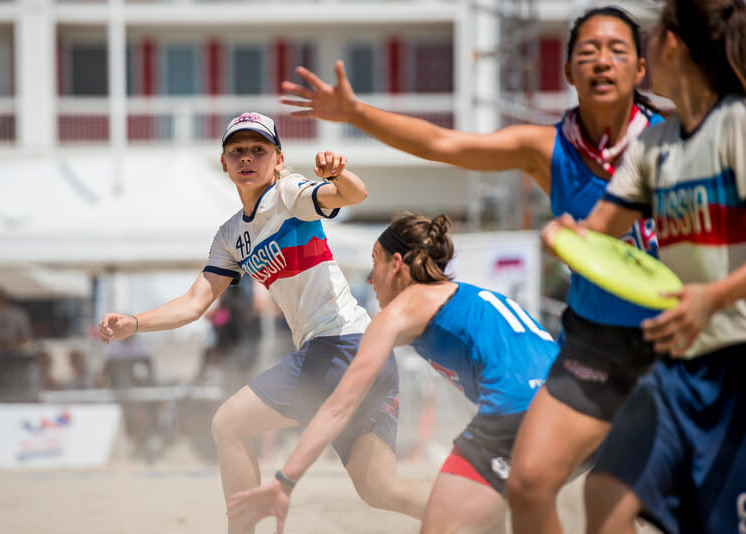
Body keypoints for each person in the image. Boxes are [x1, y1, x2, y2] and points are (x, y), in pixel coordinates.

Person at [280, 7, 664, 533]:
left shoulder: (675, 142)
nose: (602, 62)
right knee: (538, 491)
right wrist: (354, 113)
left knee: (621, 501)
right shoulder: (547, 147)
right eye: (587, 52)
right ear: (568, 72)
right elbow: (445, 144)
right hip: (593, 353)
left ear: (642, 68)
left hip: (678, 343)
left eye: (617, 50)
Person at [99, 112, 431, 533]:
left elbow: (355, 195)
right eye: (237, 150)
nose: (247, 158)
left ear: (278, 159)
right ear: (224, 164)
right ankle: (482, 513)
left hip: (340, 346)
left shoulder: (289, 193)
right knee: (380, 489)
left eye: (259, 149)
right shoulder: (230, 235)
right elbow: (195, 302)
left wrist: (339, 177)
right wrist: (134, 322)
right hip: (364, 350)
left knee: (228, 425)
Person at [542, 1, 746, 532]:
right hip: (680, 365)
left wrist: (713, 297)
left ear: (670, 47)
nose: (643, 49)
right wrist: (566, 236)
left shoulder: (736, 125)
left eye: (648, 38)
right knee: (606, 492)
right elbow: (600, 228)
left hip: (735, 359)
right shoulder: (655, 145)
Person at [227, 211, 560, 534]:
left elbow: (339, 406)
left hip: (517, 409)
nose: (371, 278)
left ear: (397, 264)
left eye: (376, 262)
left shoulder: (402, 310)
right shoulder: (470, 296)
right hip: (573, 400)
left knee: (441, 523)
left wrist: (285, 481)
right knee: (487, 513)